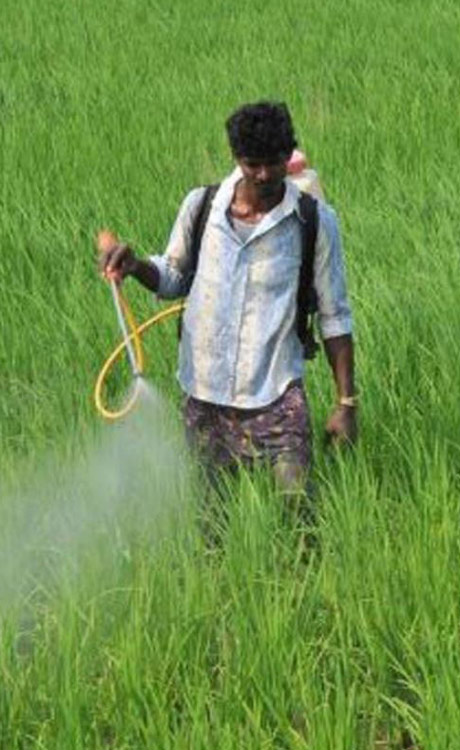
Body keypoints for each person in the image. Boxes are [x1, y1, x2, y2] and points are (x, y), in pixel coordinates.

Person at [96, 100, 358, 528]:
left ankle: (307, 583)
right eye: (253, 164)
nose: (264, 175)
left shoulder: (314, 221)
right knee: (211, 516)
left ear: (287, 155)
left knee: (297, 502)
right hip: (205, 393)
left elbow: (335, 316)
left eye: (274, 163)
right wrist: (136, 266)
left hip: (277, 389)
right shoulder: (201, 207)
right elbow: (174, 275)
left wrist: (346, 402)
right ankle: (220, 583)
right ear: (236, 158)